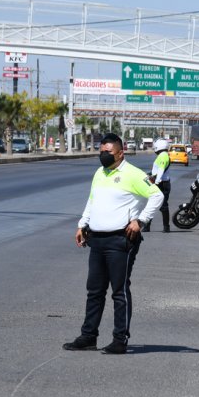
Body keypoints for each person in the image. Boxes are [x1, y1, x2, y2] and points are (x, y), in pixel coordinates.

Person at [63, 133, 164, 355]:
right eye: (101, 152)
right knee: (95, 291)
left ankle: (120, 339)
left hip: (121, 239)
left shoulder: (133, 174)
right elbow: (92, 200)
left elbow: (157, 196)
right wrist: (82, 225)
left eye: (108, 152)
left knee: (119, 290)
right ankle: (89, 336)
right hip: (97, 238)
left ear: (120, 153)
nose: (103, 155)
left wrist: (141, 220)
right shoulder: (100, 173)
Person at [146, 138, 171, 233]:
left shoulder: (163, 156)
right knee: (152, 203)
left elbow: (161, 169)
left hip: (162, 184)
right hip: (159, 182)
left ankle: (166, 227)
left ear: (158, 147)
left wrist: (157, 181)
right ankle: (147, 226)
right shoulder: (162, 155)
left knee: (163, 205)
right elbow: (156, 170)